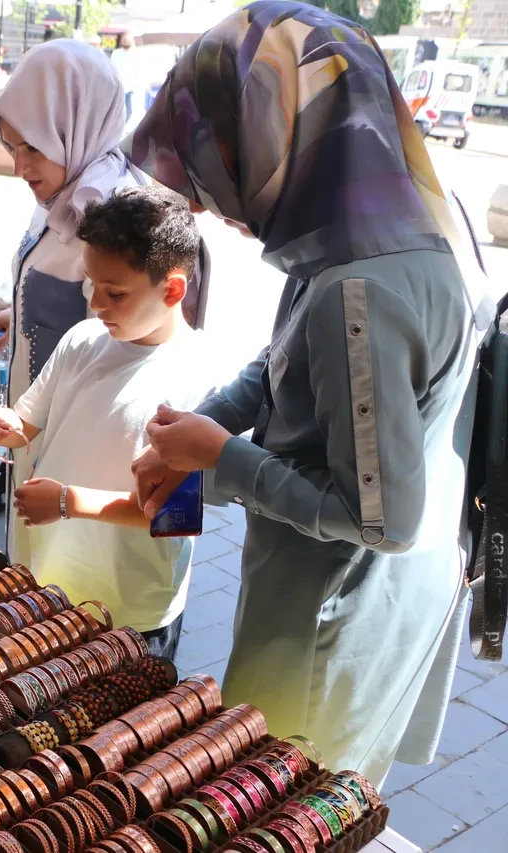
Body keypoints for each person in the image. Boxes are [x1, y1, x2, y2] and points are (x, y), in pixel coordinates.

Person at [127, 0, 490, 783]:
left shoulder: (353, 289)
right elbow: (289, 362)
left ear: (270, 128)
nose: (205, 204)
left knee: (284, 799)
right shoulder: (402, 218)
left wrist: (220, 459)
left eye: (213, 160)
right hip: (400, 589)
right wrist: (205, 422)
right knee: (336, 790)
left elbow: (377, 518)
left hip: (333, 606)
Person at [0, 187, 221, 658]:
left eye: (115, 292)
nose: (97, 304)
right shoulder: (83, 339)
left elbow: (173, 517)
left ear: (173, 288)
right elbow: (25, 424)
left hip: (131, 610)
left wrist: (68, 502)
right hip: (51, 581)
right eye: (90, 284)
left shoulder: (197, 377)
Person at [0, 39, 207, 568]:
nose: (19, 167)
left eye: (32, 148)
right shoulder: (57, 202)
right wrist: (21, 314)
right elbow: (75, 337)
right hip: (55, 508)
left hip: (109, 539)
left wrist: (69, 500)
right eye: (11, 147)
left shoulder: (118, 220)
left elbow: (174, 510)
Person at [108, 33, 137, 121]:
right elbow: (112, 69)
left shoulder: (134, 54)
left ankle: (121, 130)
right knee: (117, 112)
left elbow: (137, 71)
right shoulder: (116, 53)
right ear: (121, 41)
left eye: (128, 40)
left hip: (129, 88)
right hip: (118, 87)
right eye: (124, 40)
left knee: (129, 112)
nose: (126, 42)